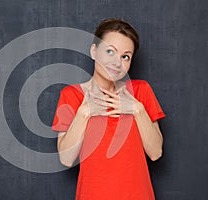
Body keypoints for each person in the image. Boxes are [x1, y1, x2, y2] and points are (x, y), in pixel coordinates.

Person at [52, 18, 166, 200]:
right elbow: (66, 159)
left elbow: (155, 153)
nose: (117, 62)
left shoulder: (141, 91)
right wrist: (85, 112)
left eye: (125, 56)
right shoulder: (71, 95)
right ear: (94, 51)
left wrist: (137, 109)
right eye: (110, 51)